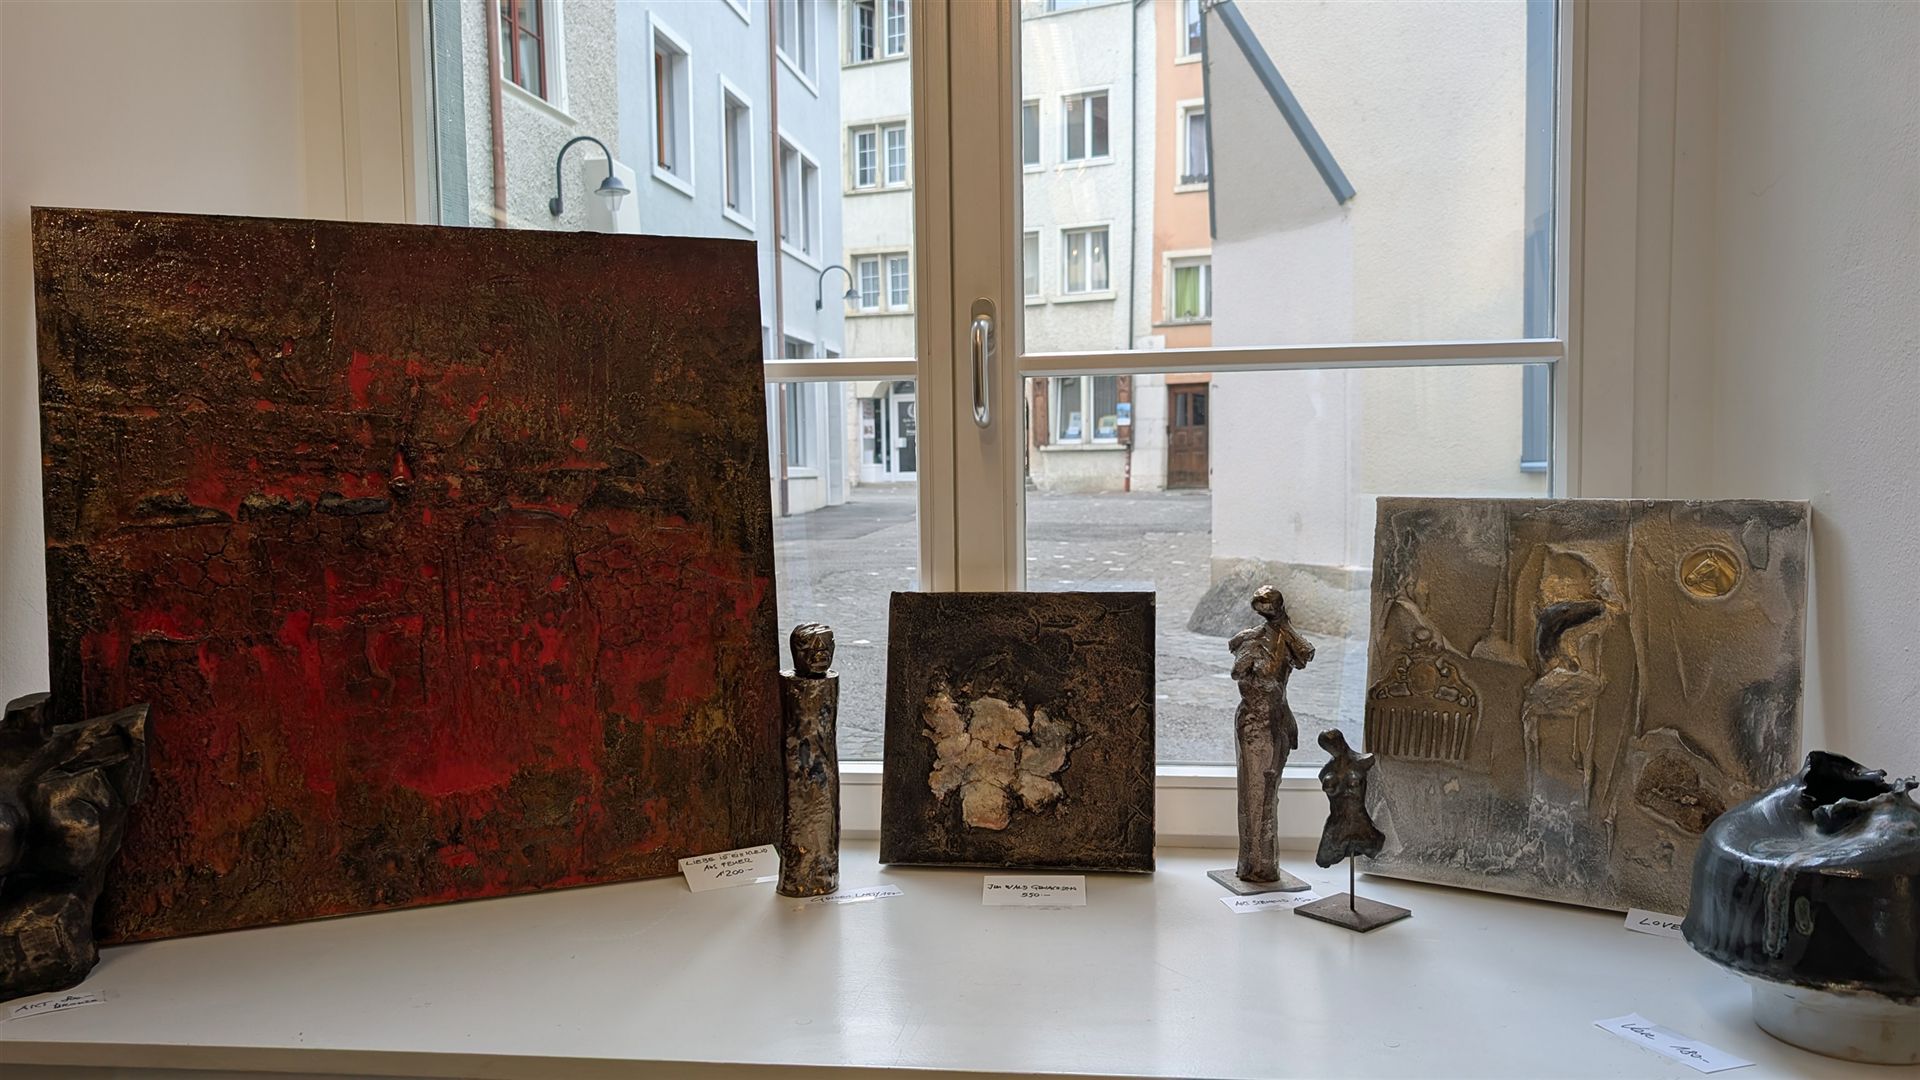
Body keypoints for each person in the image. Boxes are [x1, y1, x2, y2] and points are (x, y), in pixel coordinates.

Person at [1229, 586, 1315, 882]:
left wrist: (1283, 625)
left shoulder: (1286, 640)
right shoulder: (1249, 640)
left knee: (1268, 791)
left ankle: (1263, 865)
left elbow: (1305, 654)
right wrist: (1254, 648)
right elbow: (1238, 672)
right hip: (1253, 724)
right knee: (1255, 793)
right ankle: (1254, 865)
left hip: (1277, 720)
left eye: (1271, 607)